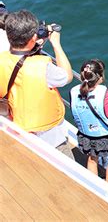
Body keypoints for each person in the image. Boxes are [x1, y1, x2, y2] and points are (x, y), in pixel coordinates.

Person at [0, 9, 73, 157]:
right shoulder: (43, 67)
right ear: (34, 37)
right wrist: (56, 44)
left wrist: (35, 45)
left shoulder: (2, 59)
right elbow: (67, 76)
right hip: (48, 134)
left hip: (19, 126)